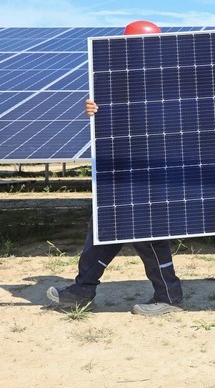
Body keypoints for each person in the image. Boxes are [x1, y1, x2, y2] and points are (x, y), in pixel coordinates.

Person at [46, 21, 184, 316]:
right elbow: (113, 123)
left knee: (147, 232)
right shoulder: (117, 77)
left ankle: (169, 296)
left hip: (152, 168)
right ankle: (82, 290)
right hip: (120, 167)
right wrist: (94, 110)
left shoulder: (170, 79)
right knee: (104, 227)